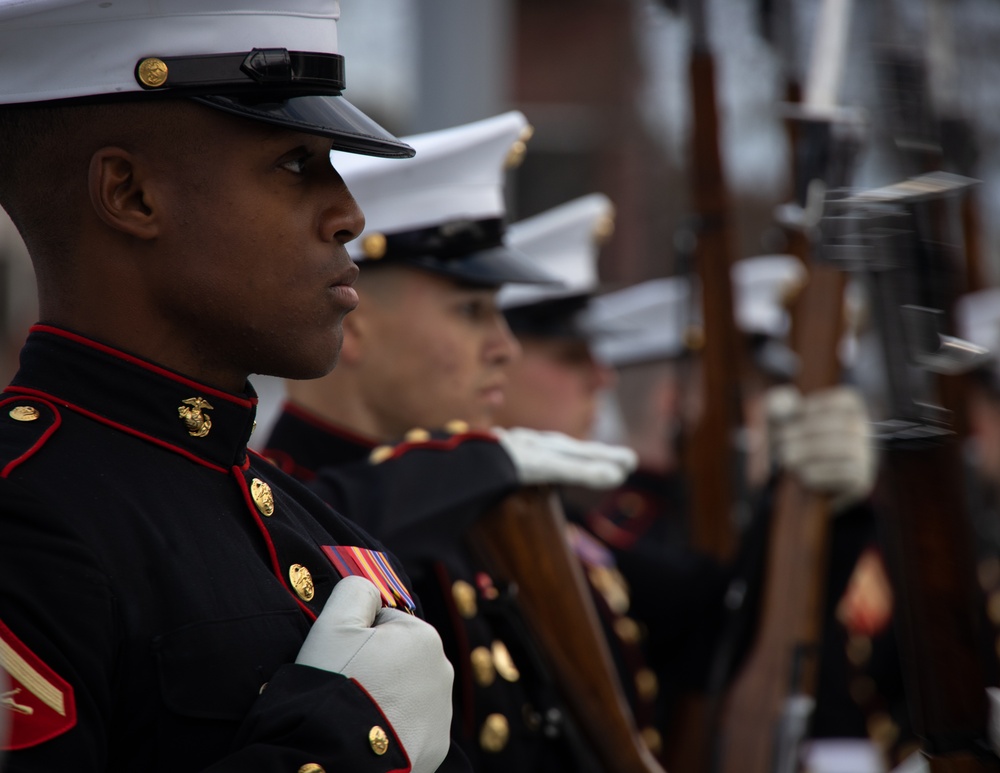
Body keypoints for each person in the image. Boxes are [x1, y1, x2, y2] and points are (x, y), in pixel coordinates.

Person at [0, 2, 465, 771]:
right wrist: (345, 742)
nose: (348, 213)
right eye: (295, 163)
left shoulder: (311, 522)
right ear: (131, 194)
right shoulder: (27, 521)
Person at [262, 113, 638, 773]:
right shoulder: (275, 505)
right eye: (471, 312)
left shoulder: (468, 501)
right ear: (357, 321)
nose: (505, 347)